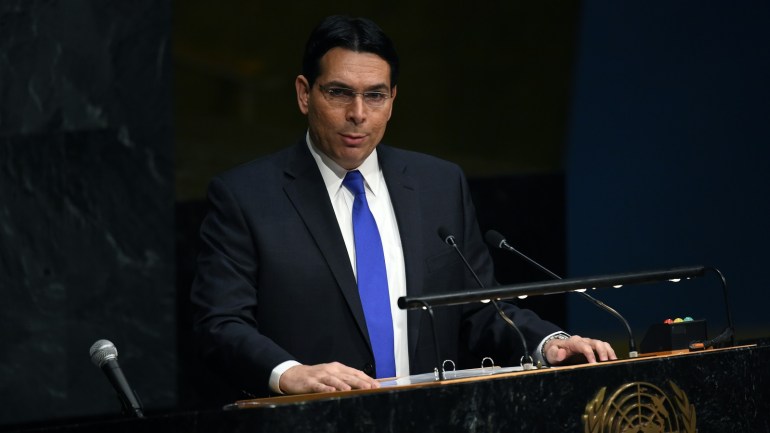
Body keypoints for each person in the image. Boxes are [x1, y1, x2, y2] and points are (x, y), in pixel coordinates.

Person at [190, 15, 615, 398]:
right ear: (305, 94)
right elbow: (220, 323)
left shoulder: (438, 184)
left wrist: (547, 342)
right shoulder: (246, 196)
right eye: (339, 93)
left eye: (374, 96)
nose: (358, 114)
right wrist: (289, 373)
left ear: (392, 99)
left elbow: (477, 307)